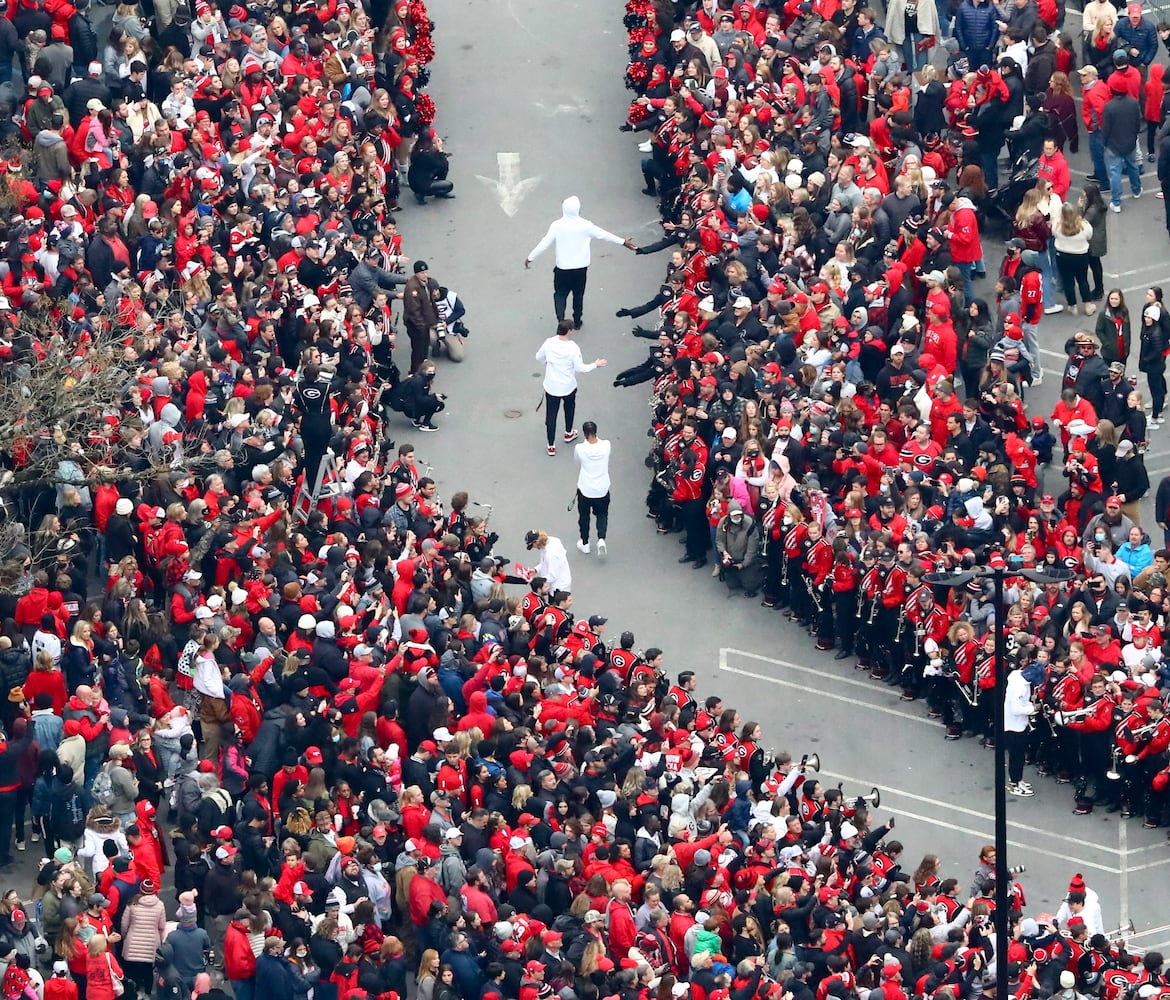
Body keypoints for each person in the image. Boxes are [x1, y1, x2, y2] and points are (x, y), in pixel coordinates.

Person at [524, 196, 638, 328]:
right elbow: (605, 235)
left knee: (560, 294)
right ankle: (577, 321)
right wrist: (623, 242)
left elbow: (544, 243)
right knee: (578, 295)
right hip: (580, 269)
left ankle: (561, 321)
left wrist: (530, 257)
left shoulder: (557, 225)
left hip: (563, 268)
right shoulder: (586, 225)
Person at [535, 320, 607, 457]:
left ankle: (551, 445)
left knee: (551, 415)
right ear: (569, 331)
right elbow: (580, 368)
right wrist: (595, 364)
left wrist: (548, 362)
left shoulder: (549, 342)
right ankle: (569, 433)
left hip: (551, 386)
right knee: (569, 408)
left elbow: (539, 357)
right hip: (568, 386)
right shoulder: (573, 347)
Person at [574, 420, 612, 557]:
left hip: (585, 488)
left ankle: (585, 543)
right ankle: (601, 538)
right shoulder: (607, 445)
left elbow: (577, 461)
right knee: (602, 514)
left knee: (584, 517)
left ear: (584, 433)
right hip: (602, 488)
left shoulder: (580, 448)